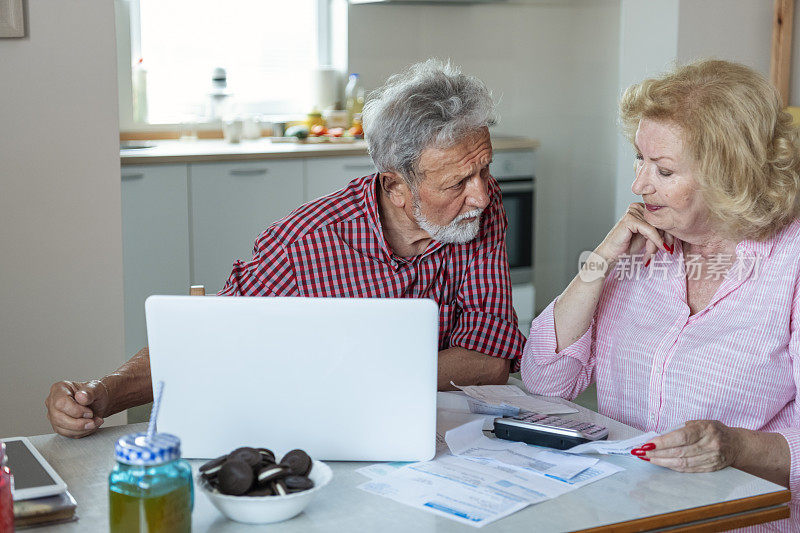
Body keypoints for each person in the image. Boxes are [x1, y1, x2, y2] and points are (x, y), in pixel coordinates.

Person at [45, 59, 525, 438]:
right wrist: (102, 394)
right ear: (397, 187)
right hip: (334, 435)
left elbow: (489, 360)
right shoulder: (304, 243)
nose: (481, 193)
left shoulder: (478, 209)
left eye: (484, 169)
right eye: (458, 181)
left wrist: (351, 371)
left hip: (450, 432)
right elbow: (208, 338)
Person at [522, 59, 800, 528]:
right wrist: (598, 263)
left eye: (664, 171)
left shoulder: (789, 264)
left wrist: (734, 446)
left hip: (734, 521)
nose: (638, 185)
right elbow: (545, 382)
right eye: (639, 159)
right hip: (620, 513)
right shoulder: (643, 248)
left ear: (729, 176)